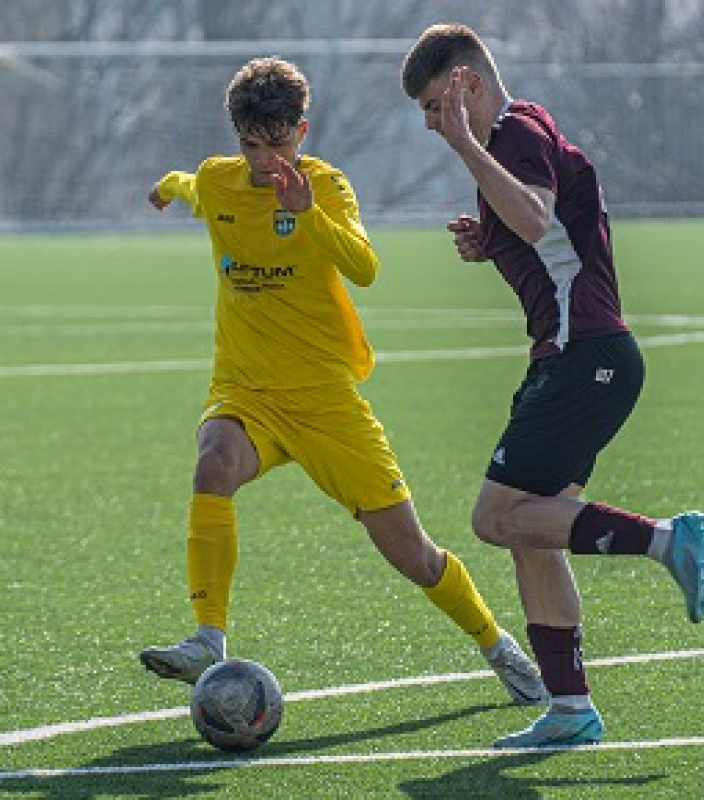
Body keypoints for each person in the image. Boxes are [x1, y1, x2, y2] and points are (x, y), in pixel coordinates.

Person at [138, 56, 550, 709]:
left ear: (301, 132)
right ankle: (208, 639)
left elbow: (363, 267)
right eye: (250, 146)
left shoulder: (325, 187)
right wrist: (164, 188)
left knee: (412, 554)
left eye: (277, 145)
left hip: (327, 401)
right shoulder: (221, 183)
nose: (264, 161)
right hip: (247, 392)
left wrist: (306, 214)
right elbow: (191, 183)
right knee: (213, 462)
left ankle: (497, 645)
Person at [401, 24, 704, 748]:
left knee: (493, 519)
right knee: (531, 534)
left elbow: (537, 213)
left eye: (432, 104)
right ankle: (572, 709)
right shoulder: (517, 138)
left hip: (585, 356)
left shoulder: (509, 133)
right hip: (575, 358)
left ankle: (667, 541)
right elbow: (541, 232)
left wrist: (464, 146)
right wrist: (488, 245)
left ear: (465, 83)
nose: (430, 123)